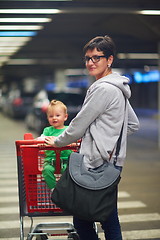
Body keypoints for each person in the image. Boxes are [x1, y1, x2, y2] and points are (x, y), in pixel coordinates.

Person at [44, 35, 140, 240]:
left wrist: (58, 141)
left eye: (97, 57)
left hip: (95, 162)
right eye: (88, 58)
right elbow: (132, 124)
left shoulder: (103, 88)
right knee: (106, 217)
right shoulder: (119, 89)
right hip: (112, 162)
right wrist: (109, 140)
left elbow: (79, 124)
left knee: (85, 220)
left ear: (110, 60)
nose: (91, 63)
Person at [40, 99, 72, 190]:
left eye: (58, 115)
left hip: (66, 160)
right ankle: (54, 189)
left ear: (65, 117)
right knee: (46, 170)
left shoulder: (68, 130)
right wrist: (40, 139)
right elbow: (41, 138)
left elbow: (75, 139)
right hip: (50, 160)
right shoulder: (47, 130)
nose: (54, 118)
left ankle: (65, 189)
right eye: (51, 116)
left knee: (68, 172)